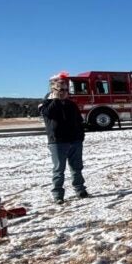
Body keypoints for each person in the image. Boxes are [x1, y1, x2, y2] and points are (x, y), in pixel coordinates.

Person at [39, 75, 88, 204]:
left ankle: (80, 189)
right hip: (58, 142)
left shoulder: (71, 105)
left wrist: (80, 136)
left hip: (75, 140)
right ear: (53, 90)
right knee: (59, 169)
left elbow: (79, 121)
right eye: (60, 90)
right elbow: (49, 114)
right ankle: (58, 195)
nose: (64, 93)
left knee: (76, 167)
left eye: (66, 90)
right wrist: (55, 99)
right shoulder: (46, 104)